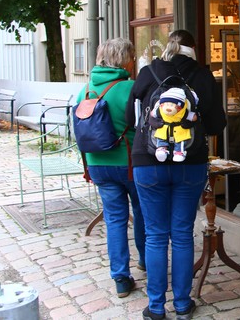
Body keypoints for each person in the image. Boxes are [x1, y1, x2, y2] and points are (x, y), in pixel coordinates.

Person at [126, 30, 226, 320]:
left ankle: (156, 307)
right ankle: (182, 304)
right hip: (189, 162)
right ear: (192, 49)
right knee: (182, 234)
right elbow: (216, 125)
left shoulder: (147, 73)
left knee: (156, 235)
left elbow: (130, 119)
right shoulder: (203, 75)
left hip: (148, 161)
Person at [76, 38, 145, 298]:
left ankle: (121, 278)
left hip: (97, 164)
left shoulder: (85, 90)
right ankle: (145, 261)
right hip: (129, 164)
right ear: (124, 60)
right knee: (142, 213)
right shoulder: (130, 87)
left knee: (115, 219)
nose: (133, 62)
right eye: (132, 57)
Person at [149, 87, 199, 162]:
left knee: (180, 140)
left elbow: (152, 114)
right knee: (161, 138)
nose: (169, 108)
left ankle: (179, 152)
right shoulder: (160, 110)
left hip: (178, 130)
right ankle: (161, 149)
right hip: (165, 129)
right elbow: (194, 117)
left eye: (172, 105)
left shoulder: (183, 112)